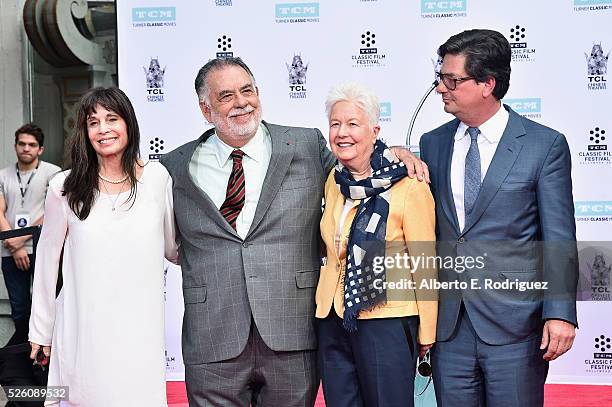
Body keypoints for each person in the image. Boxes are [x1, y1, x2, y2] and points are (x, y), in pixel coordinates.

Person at [160, 57, 426, 407]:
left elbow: (360, 171)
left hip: (291, 332)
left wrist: (393, 152)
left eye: (247, 90)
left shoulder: (306, 146)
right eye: (226, 96)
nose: (241, 102)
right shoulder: (173, 167)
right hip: (212, 337)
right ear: (205, 108)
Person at [419, 29, 578, 406]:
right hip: (449, 327)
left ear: (487, 84)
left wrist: (561, 313)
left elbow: (558, 237)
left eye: (452, 80)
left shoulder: (544, 145)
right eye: (440, 78)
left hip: (517, 326)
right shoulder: (432, 143)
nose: (441, 88)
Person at [28, 87, 178, 406]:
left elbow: (173, 248)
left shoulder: (156, 179)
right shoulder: (64, 188)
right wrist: (41, 330)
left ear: (129, 124)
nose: (103, 129)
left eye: (112, 119)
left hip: (140, 330)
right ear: (84, 132)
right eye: (93, 122)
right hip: (84, 330)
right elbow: (46, 261)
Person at [315, 83, 438, 407]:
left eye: (353, 124)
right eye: (335, 124)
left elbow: (424, 262)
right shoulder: (334, 179)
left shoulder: (410, 183)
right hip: (333, 318)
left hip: (388, 320)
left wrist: (427, 331)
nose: (342, 133)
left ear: (374, 131)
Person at [0, 123, 60, 345]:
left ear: (40, 149)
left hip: (42, 247)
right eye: (22, 144)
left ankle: (44, 360)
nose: (26, 148)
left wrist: (20, 240)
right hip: (9, 252)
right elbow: (0, 211)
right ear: (15, 146)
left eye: (32, 145)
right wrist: (14, 246)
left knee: (46, 304)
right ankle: (22, 362)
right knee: (19, 309)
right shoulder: (3, 175)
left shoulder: (52, 173)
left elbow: (52, 212)